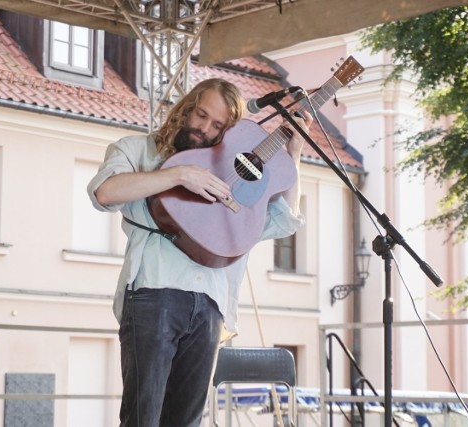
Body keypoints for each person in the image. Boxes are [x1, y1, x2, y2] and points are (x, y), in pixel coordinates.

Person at [87, 78, 311, 427]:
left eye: (217, 125)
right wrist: (179, 175)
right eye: (200, 115)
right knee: (142, 418)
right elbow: (105, 192)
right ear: (186, 108)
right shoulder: (137, 149)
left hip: (209, 303)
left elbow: (281, 223)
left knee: (187, 421)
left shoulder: (231, 177)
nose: (204, 128)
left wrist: (293, 154)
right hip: (153, 293)